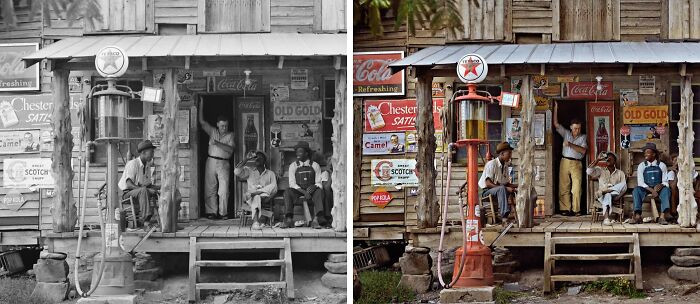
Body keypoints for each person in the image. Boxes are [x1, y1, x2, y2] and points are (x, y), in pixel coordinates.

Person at [199, 102, 235, 220]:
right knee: (210, 188)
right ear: (217, 125)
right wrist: (201, 104)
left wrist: (217, 143)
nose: (224, 128)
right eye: (222, 125)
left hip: (224, 162)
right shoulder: (213, 131)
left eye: (226, 126)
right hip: (211, 161)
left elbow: (230, 149)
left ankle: (223, 213)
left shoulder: (231, 135)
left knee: (223, 190)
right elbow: (202, 122)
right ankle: (211, 212)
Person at [554, 102, 588, 216]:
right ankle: (565, 209)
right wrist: (555, 108)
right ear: (570, 127)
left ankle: (576, 209)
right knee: (564, 186)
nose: (576, 131)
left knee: (576, 187)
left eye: (578, 128)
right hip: (564, 161)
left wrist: (570, 144)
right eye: (574, 128)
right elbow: (556, 124)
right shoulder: (566, 133)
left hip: (577, 163)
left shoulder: (583, 137)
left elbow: (583, 151)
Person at [282, 142, 325, 229]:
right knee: (287, 192)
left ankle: (316, 220)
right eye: (297, 152)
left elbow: (319, 182)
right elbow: (292, 183)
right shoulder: (293, 166)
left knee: (319, 191)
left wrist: (314, 186)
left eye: (300, 152)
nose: (297, 154)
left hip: (311, 191)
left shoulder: (315, 165)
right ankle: (289, 219)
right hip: (298, 191)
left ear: (306, 153)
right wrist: (304, 192)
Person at [118, 140, 160, 229]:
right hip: (128, 194)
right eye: (151, 152)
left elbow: (147, 184)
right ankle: (146, 221)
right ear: (143, 152)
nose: (153, 154)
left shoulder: (147, 165)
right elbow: (129, 184)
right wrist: (147, 189)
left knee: (160, 189)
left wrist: (160, 188)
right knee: (144, 190)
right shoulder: (133, 164)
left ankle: (164, 220)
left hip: (140, 192)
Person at [234, 151, 277, 230]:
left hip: (264, 198)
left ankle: (256, 223)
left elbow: (274, 187)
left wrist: (258, 192)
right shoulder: (249, 171)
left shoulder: (271, 173)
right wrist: (246, 159)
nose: (257, 159)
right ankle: (256, 222)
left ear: (264, 160)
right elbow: (237, 171)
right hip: (250, 197)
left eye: (260, 157)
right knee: (256, 197)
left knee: (256, 196)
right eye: (256, 157)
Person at [632, 142, 671, 224]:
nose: (645, 154)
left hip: (658, 188)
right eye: (645, 152)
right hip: (646, 188)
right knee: (636, 190)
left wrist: (661, 185)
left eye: (648, 152)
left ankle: (662, 217)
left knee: (666, 190)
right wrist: (652, 190)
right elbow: (641, 182)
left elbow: (665, 181)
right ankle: (638, 216)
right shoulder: (642, 165)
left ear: (653, 154)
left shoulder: (662, 165)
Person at [479, 142, 518, 222]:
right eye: (509, 153)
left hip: (498, 190)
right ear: (502, 153)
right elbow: (488, 183)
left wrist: (518, 186)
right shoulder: (492, 164)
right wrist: (506, 188)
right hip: (486, 192)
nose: (510, 155)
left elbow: (506, 183)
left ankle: (519, 215)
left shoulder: (506, 166)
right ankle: (504, 217)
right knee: (502, 189)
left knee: (506, 189)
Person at [586, 152, 627, 226]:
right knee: (607, 195)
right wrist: (597, 160)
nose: (608, 159)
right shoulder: (600, 170)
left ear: (615, 161)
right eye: (607, 158)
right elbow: (589, 171)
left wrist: (618, 197)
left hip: (614, 194)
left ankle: (605, 191)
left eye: (610, 158)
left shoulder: (620, 173)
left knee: (624, 184)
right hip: (602, 196)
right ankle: (606, 219)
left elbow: (624, 188)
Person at [320, 154, 334, 228]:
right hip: (330, 195)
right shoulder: (325, 173)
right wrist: (331, 173)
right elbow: (327, 187)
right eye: (329, 161)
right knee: (325, 192)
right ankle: (328, 218)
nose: (331, 163)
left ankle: (328, 218)